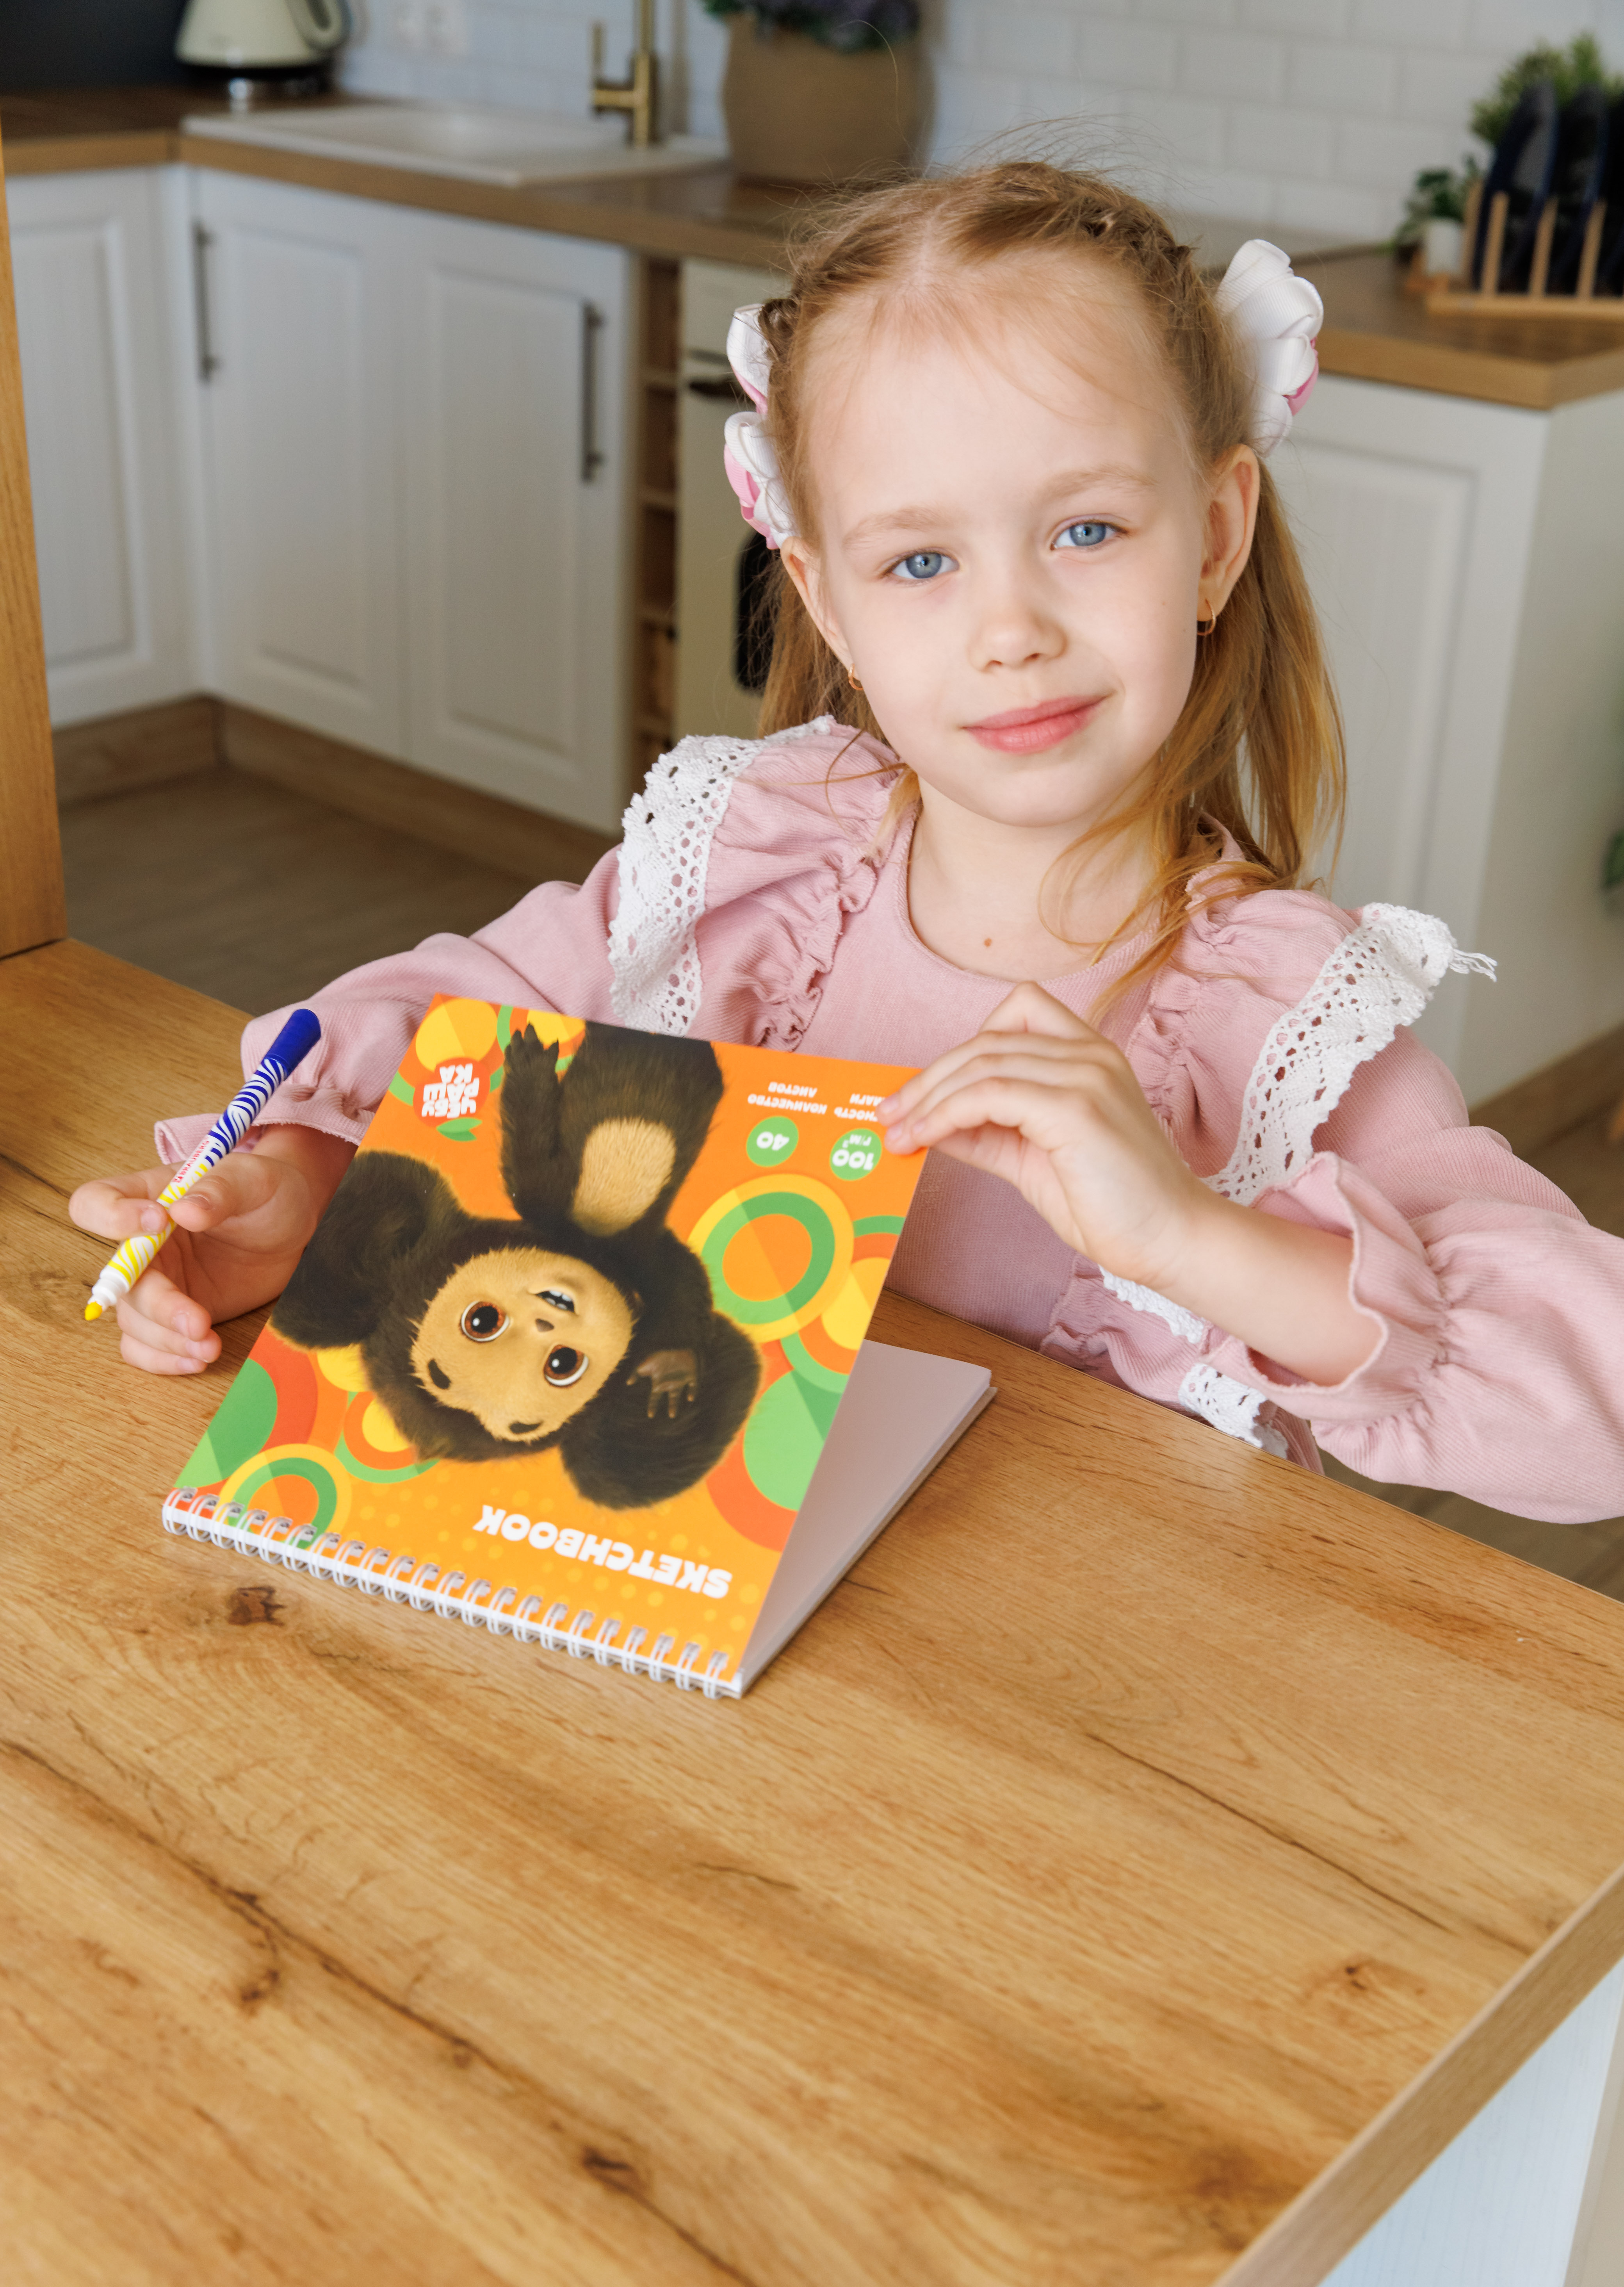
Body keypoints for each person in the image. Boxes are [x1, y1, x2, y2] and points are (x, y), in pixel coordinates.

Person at [71, 162, 1624, 1523]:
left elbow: (1594, 1411)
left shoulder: (1289, 1031)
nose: (1010, 628)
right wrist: (301, 1187)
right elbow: (457, 1032)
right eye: (920, 561)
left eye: (1085, 529)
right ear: (824, 600)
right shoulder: (744, 871)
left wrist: (1191, 1235)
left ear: (1214, 537)